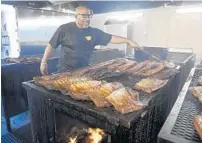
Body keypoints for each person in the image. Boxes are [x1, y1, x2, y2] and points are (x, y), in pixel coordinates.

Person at [40, 5, 141, 75]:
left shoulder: (94, 32)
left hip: (85, 71)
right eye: (84, 16)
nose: (87, 19)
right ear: (76, 16)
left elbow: (111, 38)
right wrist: (44, 62)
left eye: (89, 16)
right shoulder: (64, 29)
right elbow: (51, 46)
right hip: (64, 71)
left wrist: (128, 41)